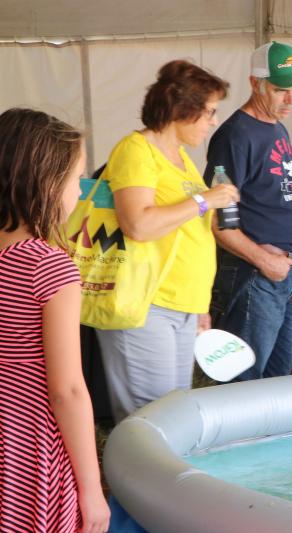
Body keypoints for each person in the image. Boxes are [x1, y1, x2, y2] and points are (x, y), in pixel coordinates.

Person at [95, 60, 238, 423]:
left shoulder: (183, 160)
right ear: (182, 110)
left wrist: (200, 306)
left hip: (182, 305)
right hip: (146, 303)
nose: (213, 122)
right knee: (151, 421)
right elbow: (139, 225)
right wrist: (206, 200)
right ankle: (131, 480)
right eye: (209, 112)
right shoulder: (136, 150)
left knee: (173, 415)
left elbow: (190, 234)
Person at [0, 108, 110, 532]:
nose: (81, 193)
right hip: (29, 446)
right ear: (43, 182)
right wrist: (91, 489)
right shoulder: (48, 267)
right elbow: (66, 391)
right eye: (76, 178)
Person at [204, 41, 292, 380]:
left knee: (279, 379)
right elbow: (219, 220)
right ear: (255, 83)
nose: (291, 99)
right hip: (259, 275)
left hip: (289, 271)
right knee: (245, 379)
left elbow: (282, 197)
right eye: (281, 90)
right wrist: (266, 261)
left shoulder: (276, 127)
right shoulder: (235, 137)